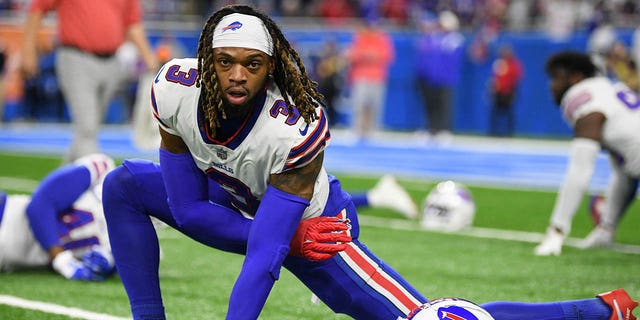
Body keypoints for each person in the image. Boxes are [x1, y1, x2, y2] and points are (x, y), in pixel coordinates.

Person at [102, 5, 638, 320]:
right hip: (242, 210)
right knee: (123, 186)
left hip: (316, 229)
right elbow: (189, 210)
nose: (237, 76)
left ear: (270, 68)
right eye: (224, 62)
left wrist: (286, 240)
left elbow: (264, 257)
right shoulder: (173, 88)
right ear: (205, 60)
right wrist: (277, 238)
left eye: (252, 64)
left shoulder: (293, 127)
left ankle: (593, 310)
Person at [20, 0, 159, 163]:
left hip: (112, 61)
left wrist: (147, 54)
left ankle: (65, 182)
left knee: (87, 131)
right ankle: (94, 181)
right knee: (87, 128)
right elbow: (38, 8)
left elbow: (132, 23)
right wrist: (28, 50)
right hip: (75, 56)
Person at [535, 50, 640, 256]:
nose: (552, 86)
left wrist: (557, 229)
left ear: (576, 77)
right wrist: (606, 227)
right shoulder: (610, 89)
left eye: (556, 77)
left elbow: (580, 170)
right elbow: (626, 170)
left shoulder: (583, 97)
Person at [0, 153, 116, 281]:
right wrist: (61, 259)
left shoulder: (133, 241)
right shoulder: (104, 173)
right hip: (7, 215)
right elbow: (40, 205)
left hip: (9, 257)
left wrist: (105, 264)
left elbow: (105, 264)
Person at [415, 10, 465, 144]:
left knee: (444, 105)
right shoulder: (434, 37)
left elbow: (451, 56)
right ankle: (432, 129)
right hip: (431, 78)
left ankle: (444, 130)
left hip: (445, 78)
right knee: (431, 105)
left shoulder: (454, 39)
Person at [345, 15, 395, 141]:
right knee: (359, 104)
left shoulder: (383, 39)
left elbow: (387, 56)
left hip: (377, 77)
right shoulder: (360, 38)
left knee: (375, 105)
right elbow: (352, 55)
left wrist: (368, 56)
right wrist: (368, 56)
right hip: (360, 76)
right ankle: (357, 129)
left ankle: (372, 130)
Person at [488, 44, 523, 137]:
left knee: (509, 113)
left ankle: (509, 133)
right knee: (495, 113)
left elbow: (517, 78)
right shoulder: (498, 63)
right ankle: (493, 132)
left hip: (508, 92)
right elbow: (495, 78)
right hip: (498, 92)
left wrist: (512, 90)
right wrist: (492, 88)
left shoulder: (514, 64)